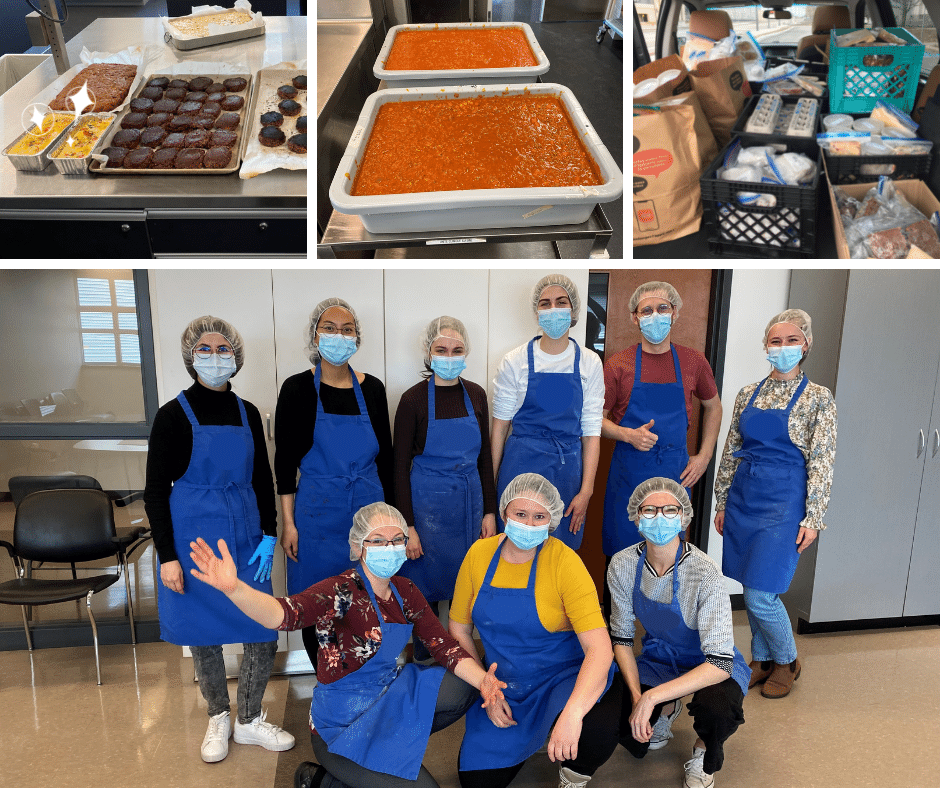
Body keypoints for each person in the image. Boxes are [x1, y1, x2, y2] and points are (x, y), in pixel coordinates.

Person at [187, 502, 509, 788]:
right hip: (341, 724)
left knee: (467, 686)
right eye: (379, 541)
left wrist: (486, 682)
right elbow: (283, 614)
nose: (391, 547)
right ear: (359, 547)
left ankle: (389, 744)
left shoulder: (405, 589)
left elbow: (443, 646)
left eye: (397, 539)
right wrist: (234, 589)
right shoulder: (340, 591)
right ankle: (323, 779)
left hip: (387, 695)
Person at [144, 315, 294, 764]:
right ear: (191, 357)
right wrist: (167, 556)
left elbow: (263, 480)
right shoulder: (172, 416)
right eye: (205, 349)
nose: (215, 357)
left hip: (247, 537)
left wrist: (268, 536)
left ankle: (249, 719)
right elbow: (154, 492)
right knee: (203, 634)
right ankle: (218, 716)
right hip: (194, 542)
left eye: (223, 349)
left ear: (236, 357)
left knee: (263, 629)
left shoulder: (248, 412)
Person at [450, 473, 619, 788]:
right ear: (504, 514)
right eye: (520, 514)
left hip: (563, 677)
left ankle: (573, 772)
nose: (528, 524)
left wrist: (572, 713)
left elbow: (599, 648)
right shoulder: (478, 555)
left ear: (551, 520)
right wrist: (486, 685)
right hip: (505, 682)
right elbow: (459, 628)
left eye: (539, 516)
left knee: (594, 731)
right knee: (476, 781)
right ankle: (538, 734)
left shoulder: (564, 562)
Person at [714, 309, 837, 699]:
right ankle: (762, 660)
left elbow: (822, 459)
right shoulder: (748, 394)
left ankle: (786, 660)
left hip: (785, 503)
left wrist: (814, 517)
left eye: (791, 340)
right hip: (744, 498)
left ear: (806, 345)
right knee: (751, 581)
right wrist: (721, 500)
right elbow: (732, 448)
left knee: (761, 592)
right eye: (775, 341)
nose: (782, 348)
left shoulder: (819, 398)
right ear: (766, 347)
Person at [608, 477, 750, 788]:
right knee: (619, 719)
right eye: (649, 510)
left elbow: (720, 661)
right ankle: (669, 709)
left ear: (683, 517)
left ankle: (703, 751)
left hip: (710, 663)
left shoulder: (705, 571)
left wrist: (652, 697)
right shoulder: (622, 564)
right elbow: (621, 637)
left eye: (669, 510)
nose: (659, 517)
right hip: (659, 658)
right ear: (635, 516)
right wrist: (636, 696)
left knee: (717, 711)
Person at [274, 298, 393, 661]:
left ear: (357, 337)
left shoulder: (372, 389)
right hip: (316, 517)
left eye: (347, 329)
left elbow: (385, 459)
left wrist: (392, 522)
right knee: (318, 604)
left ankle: (364, 682)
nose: (338, 336)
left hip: (368, 513)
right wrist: (289, 524)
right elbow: (284, 464)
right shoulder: (296, 389)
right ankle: (325, 680)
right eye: (329, 328)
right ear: (315, 335)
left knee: (367, 601)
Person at [393, 317, 499, 663]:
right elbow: (398, 468)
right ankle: (425, 667)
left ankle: (463, 664)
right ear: (429, 353)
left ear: (466, 352)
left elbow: (485, 456)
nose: (449, 356)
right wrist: (407, 527)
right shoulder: (412, 401)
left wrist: (489, 512)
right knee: (424, 598)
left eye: (457, 350)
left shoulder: (477, 395)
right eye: (441, 350)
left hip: (469, 509)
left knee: (465, 592)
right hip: (426, 514)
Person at [601, 281, 723, 558]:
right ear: (635, 317)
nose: (655, 316)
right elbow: (597, 420)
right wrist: (627, 435)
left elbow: (714, 407)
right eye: (646, 311)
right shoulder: (618, 365)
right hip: (629, 471)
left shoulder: (694, 362)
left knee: (667, 552)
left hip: (675, 471)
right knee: (623, 551)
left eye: (662, 308)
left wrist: (703, 457)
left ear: (675, 312)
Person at [491, 275, 604, 550]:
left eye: (561, 302)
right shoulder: (515, 361)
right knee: (515, 546)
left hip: (566, 473)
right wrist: (490, 488)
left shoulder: (589, 362)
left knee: (559, 552)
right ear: (537, 312)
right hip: (519, 467)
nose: (553, 309)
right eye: (545, 303)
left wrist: (586, 490)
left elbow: (591, 432)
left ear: (573, 309)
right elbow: (499, 429)